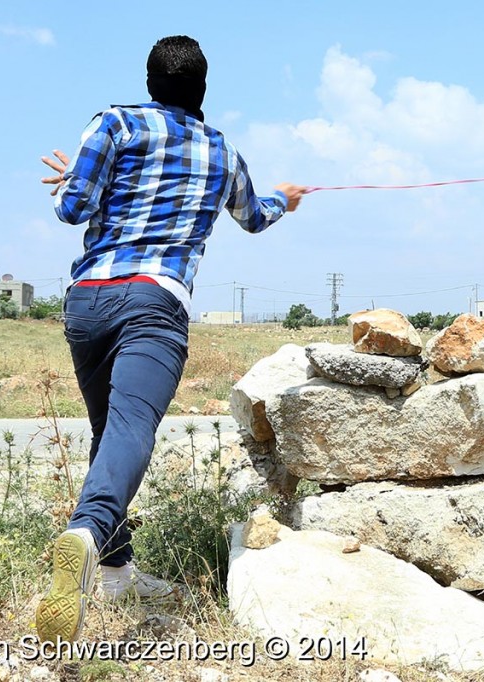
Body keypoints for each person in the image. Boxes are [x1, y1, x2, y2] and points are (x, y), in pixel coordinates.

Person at [35, 35, 305, 644]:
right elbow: (254, 216)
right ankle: (86, 532)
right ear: (202, 90)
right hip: (155, 301)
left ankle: (112, 570)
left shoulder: (114, 124)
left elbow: (73, 209)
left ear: (150, 81)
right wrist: (286, 201)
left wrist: (70, 184)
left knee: (109, 432)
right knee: (131, 428)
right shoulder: (223, 152)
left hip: (88, 301)